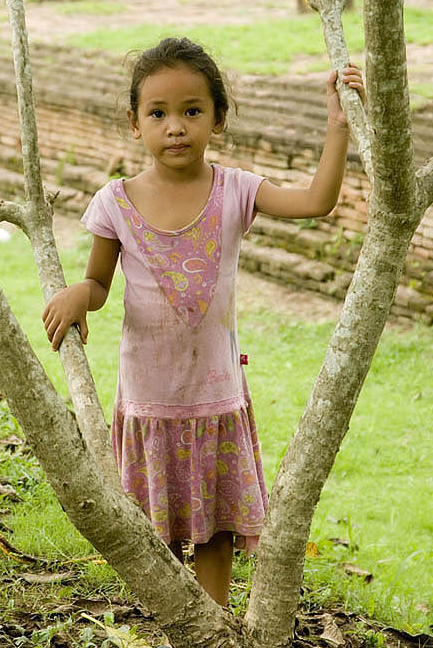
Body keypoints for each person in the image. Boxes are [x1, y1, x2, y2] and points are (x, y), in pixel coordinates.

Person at [42, 37, 365, 611]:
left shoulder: (235, 190)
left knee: (216, 528)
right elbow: (97, 287)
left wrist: (337, 125)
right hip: (150, 401)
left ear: (218, 118)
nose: (176, 127)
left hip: (214, 398)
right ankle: (176, 630)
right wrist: (75, 294)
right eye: (158, 113)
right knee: (156, 533)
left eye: (193, 111)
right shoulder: (115, 202)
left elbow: (317, 200)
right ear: (134, 121)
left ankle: (211, 630)